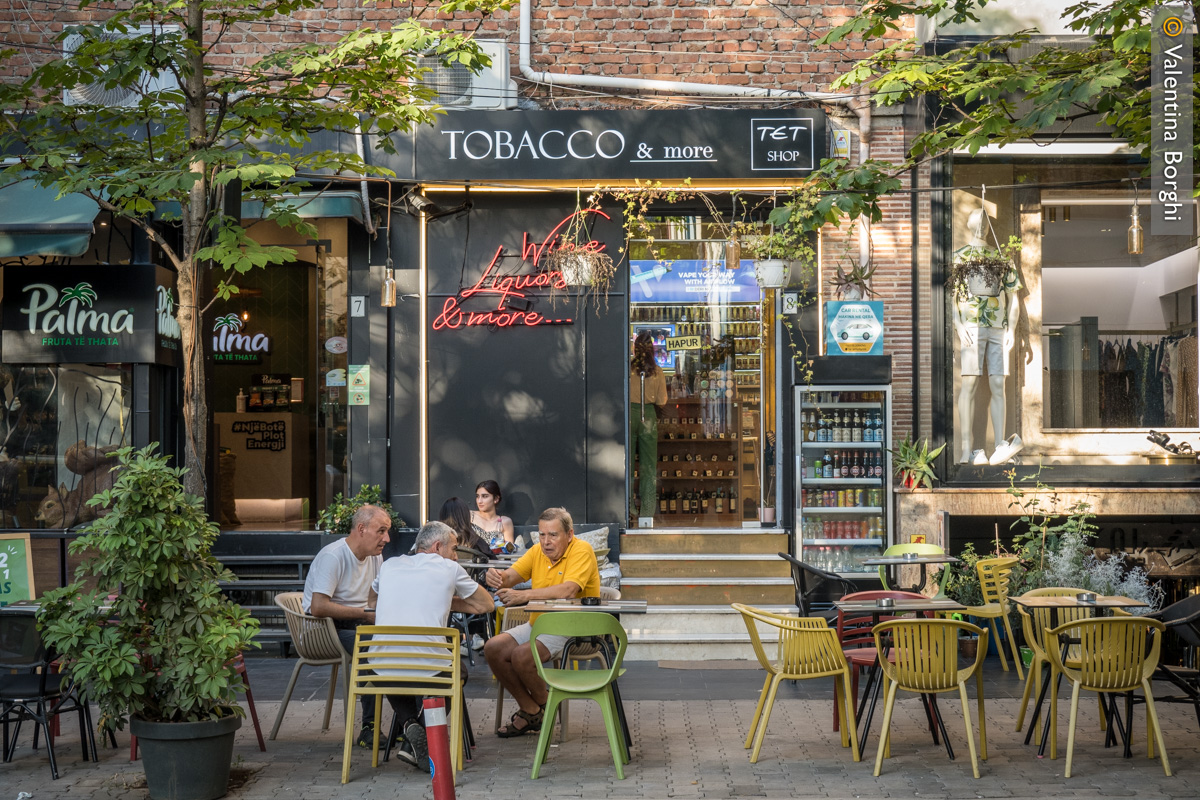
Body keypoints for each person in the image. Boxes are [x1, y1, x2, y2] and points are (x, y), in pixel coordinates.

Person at [371, 521, 494, 770]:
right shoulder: (449, 567)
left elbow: (373, 600)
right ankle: (423, 730)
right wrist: (447, 599)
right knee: (456, 674)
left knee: (392, 663)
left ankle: (409, 726)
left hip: (378, 666)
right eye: (455, 548)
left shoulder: (390, 564)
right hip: (429, 667)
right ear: (438, 546)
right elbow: (486, 605)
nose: (456, 555)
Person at [482, 507, 601, 737]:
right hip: (539, 625)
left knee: (521, 656)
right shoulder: (537, 551)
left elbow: (569, 589)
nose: (546, 541)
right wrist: (495, 576)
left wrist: (524, 596)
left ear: (570, 534)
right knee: (493, 648)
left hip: (574, 628)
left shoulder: (582, 550)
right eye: (542, 535)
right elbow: (510, 577)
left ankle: (542, 709)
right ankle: (534, 709)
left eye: (553, 535)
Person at [302, 504, 390, 748]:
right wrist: (364, 614)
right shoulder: (334, 555)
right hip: (323, 628)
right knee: (374, 650)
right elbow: (318, 606)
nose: (387, 538)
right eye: (381, 531)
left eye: (387, 531)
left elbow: (379, 595)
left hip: (360, 625)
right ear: (361, 529)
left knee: (396, 646)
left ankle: (407, 724)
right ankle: (370, 728)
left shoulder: (376, 557)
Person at [953, 208, 1023, 465]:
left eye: (984, 222)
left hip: (997, 328)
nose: (981, 226)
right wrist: (958, 325)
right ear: (970, 225)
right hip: (971, 328)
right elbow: (953, 297)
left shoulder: (1001, 258)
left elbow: (1014, 297)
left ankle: (1000, 446)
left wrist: (1011, 329)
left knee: (998, 385)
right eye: (977, 221)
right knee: (969, 384)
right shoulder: (960, 257)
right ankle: (966, 449)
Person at [629, 330, 666, 523]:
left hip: (629, 414)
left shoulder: (628, 369)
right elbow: (662, 400)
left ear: (635, 349)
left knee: (626, 463)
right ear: (652, 349)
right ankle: (646, 513)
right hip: (649, 416)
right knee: (648, 467)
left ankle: (628, 508)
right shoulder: (657, 371)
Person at [471, 479, 516, 552]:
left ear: (496, 499)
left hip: (496, 562)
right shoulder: (470, 516)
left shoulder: (504, 522)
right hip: (470, 561)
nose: (479, 501)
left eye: (485, 496)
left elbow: (509, 551)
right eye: (477, 496)